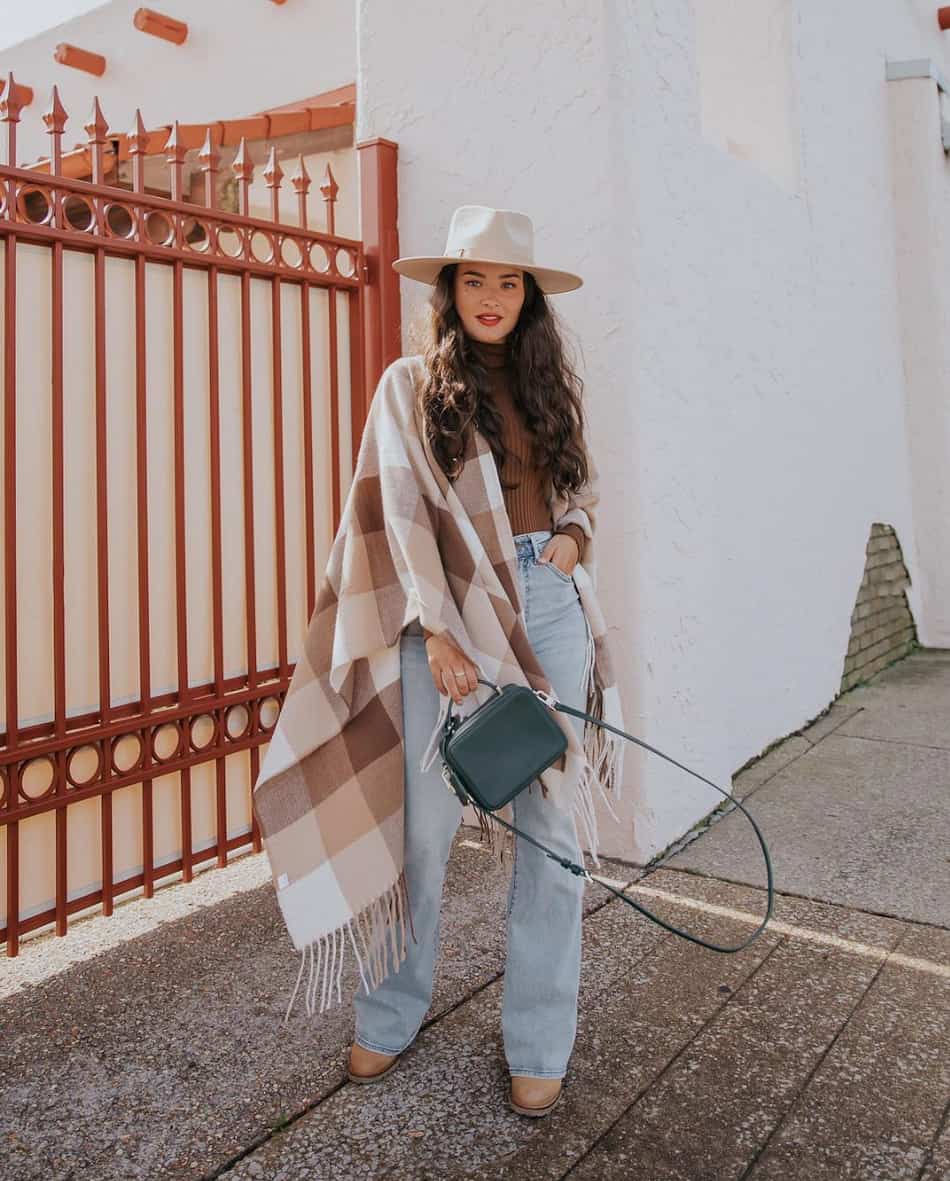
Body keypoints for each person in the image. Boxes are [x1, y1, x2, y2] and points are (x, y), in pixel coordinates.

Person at [346, 205, 603, 1118]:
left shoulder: (549, 386)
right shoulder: (410, 386)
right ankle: (391, 1008)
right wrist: (439, 629)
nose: (491, 297)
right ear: (448, 291)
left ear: (528, 296)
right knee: (421, 825)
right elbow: (397, 517)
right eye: (474, 278)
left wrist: (570, 540)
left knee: (548, 826)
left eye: (508, 281)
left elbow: (580, 487)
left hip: (547, 601)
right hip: (444, 618)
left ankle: (539, 1035)